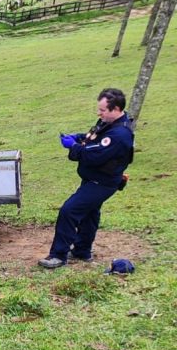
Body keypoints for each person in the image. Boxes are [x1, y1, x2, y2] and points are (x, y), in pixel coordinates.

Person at [39, 88, 134, 269]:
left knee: (69, 211)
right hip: (94, 179)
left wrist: (73, 146)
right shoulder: (109, 124)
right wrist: (78, 137)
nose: (99, 113)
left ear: (116, 109)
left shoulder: (120, 135)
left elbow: (93, 156)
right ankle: (82, 250)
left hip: (102, 183)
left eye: (103, 110)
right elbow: (94, 138)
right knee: (90, 214)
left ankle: (58, 256)